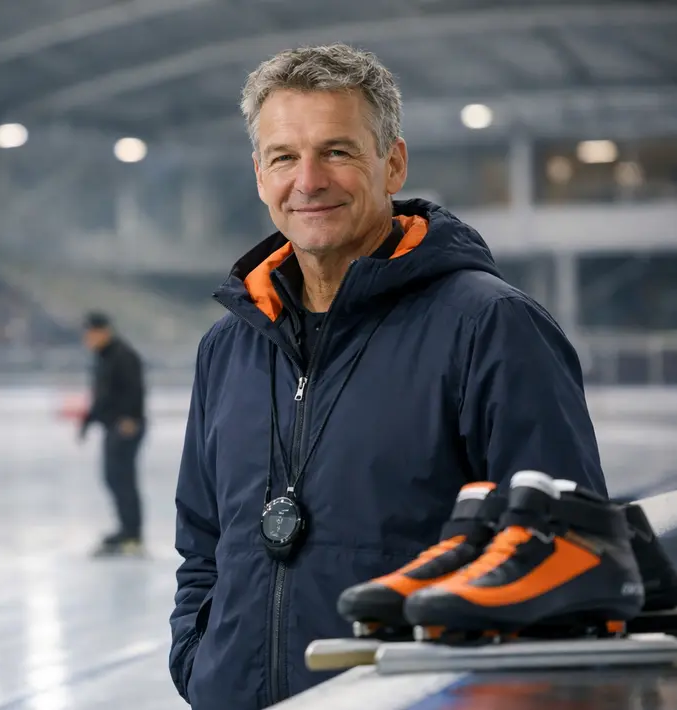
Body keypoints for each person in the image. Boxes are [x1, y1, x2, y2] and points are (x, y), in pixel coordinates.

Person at [168, 44, 607, 709]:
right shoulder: (227, 346)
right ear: (259, 174)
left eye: (336, 152)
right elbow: (202, 547)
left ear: (392, 163)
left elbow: (565, 557)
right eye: (283, 156)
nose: (307, 181)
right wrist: (201, 665)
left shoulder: (490, 328)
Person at [79, 312, 147, 556]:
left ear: (103, 332)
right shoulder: (103, 357)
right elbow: (101, 395)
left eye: (90, 334)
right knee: (113, 478)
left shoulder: (123, 356)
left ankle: (133, 533)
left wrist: (130, 419)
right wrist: (86, 422)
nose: (87, 339)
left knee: (123, 479)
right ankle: (126, 528)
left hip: (126, 426)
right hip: (112, 425)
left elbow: (135, 389)